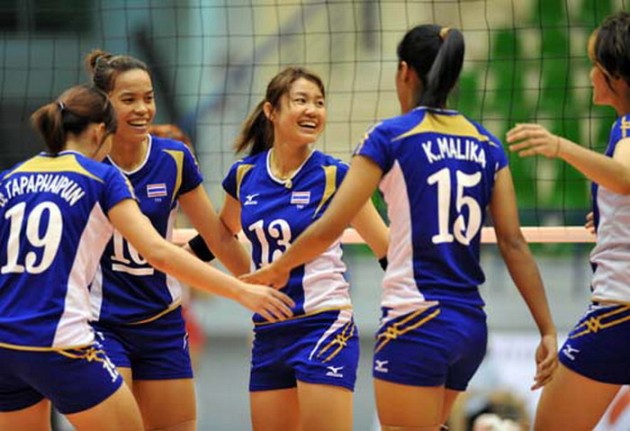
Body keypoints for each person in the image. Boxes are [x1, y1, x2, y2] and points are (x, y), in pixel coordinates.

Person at [242, 25, 558, 430]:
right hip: (469, 326)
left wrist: (278, 268)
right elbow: (513, 243)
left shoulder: (390, 136)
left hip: (415, 320)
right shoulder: (487, 144)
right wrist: (547, 329)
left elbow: (328, 227)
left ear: (405, 72)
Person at [0, 85, 293, 431]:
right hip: (60, 341)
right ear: (99, 132)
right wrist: (241, 291)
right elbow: (159, 252)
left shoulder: (11, 178)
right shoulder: (101, 177)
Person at [83, 49, 277, 431]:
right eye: (129, 99)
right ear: (104, 103)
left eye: (148, 97)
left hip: (162, 321)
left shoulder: (173, 158)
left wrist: (263, 290)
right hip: (99, 322)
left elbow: (219, 237)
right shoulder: (85, 164)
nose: (143, 109)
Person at [187, 66, 389, 431]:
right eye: (301, 101)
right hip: (269, 329)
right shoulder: (244, 175)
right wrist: (174, 261)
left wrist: (422, 298)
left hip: (324, 324)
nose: (312, 110)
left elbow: (385, 248)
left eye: (319, 102)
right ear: (271, 111)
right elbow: (220, 235)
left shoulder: (336, 176)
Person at [506, 11, 630, 430]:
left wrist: (559, 146)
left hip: (619, 313)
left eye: (594, 64)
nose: (589, 74)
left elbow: (625, 176)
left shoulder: (627, 126)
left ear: (615, 75)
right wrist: (610, 212)